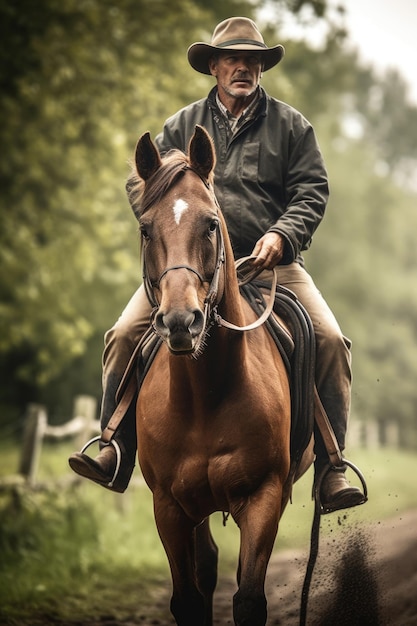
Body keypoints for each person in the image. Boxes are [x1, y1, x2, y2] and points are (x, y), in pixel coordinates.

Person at [69, 17, 366, 513]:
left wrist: (282, 234)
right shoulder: (180, 126)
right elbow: (141, 185)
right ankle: (114, 446)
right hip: (188, 267)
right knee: (122, 334)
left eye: (253, 60)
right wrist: (171, 236)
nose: (243, 68)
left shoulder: (292, 126)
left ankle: (333, 468)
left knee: (332, 341)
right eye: (233, 59)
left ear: (261, 67)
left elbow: (312, 191)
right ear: (213, 65)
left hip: (267, 266)